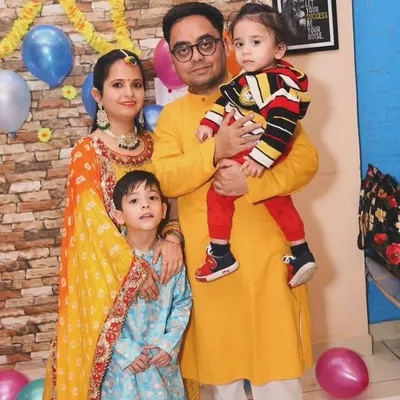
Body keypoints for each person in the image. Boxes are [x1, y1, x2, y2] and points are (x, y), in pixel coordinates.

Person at [153, 2, 319, 399]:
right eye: (183, 49)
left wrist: (253, 184)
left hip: (269, 266)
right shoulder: (172, 118)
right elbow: (166, 178)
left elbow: (306, 162)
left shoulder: (266, 91)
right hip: (214, 274)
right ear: (173, 58)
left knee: (278, 383)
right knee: (223, 384)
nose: (196, 56)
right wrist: (216, 149)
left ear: (225, 44)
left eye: (206, 43)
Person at [43, 49, 186, 400]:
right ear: (98, 94)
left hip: (162, 280)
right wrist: (131, 269)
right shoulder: (87, 151)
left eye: (136, 84)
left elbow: (175, 197)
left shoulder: (156, 145)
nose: (129, 93)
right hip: (109, 286)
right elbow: (91, 220)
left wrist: (173, 238)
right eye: (117, 85)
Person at [195, 2, 316, 288]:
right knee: (277, 201)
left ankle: (221, 254)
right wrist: (209, 123)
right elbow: (225, 101)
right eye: (239, 43)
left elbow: (282, 127)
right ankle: (301, 252)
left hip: (263, 148)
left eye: (256, 42)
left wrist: (260, 159)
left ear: (279, 50)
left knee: (218, 194)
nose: (246, 51)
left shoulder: (281, 84)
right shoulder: (247, 79)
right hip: (255, 147)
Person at [102, 170, 192, 399]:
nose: (145, 205)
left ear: (164, 210)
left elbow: (182, 302)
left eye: (152, 198)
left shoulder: (171, 258)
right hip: (122, 369)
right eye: (134, 201)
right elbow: (99, 312)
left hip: (161, 365)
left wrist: (168, 344)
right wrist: (126, 351)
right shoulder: (111, 260)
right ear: (119, 216)